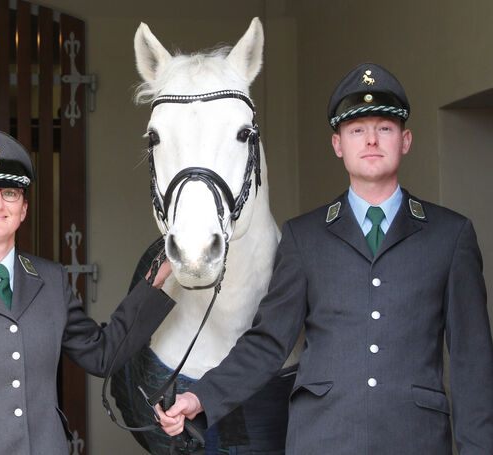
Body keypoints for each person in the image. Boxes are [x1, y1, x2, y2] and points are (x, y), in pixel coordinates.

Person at [157, 63, 493, 454]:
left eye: (384, 127)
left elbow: (473, 362)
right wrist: (201, 398)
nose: (370, 140)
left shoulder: (450, 235)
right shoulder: (305, 237)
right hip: (322, 439)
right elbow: (269, 342)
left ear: (405, 140)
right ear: (338, 145)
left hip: (414, 438)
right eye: (356, 130)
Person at [0, 130, 174, 454]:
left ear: (23, 209)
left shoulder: (51, 280)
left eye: (10, 193)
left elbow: (102, 354)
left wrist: (155, 279)